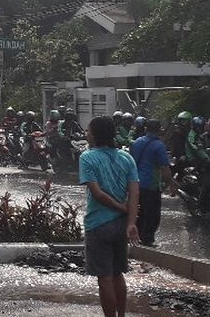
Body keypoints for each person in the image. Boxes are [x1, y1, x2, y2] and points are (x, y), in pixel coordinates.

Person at [79, 116, 140, 317]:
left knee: (104, 278)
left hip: (98, 224)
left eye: (88, 130)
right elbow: (134, 192)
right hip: (122, 226)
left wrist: (120, 208)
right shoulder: (126, 157)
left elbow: (97, 194)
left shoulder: (87, 157)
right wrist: (131, 221)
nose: (86, 134)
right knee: (117, 274)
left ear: (95, 135)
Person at [130, 119, 177, 247]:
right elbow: (164, 168)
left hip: (136, 183)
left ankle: (136, 238)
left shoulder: (137, 142)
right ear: (158, 130)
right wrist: (171, 184)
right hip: (151, 185)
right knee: (153, 214)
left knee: (139, 211)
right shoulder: (158, 145)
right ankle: (147, 240)